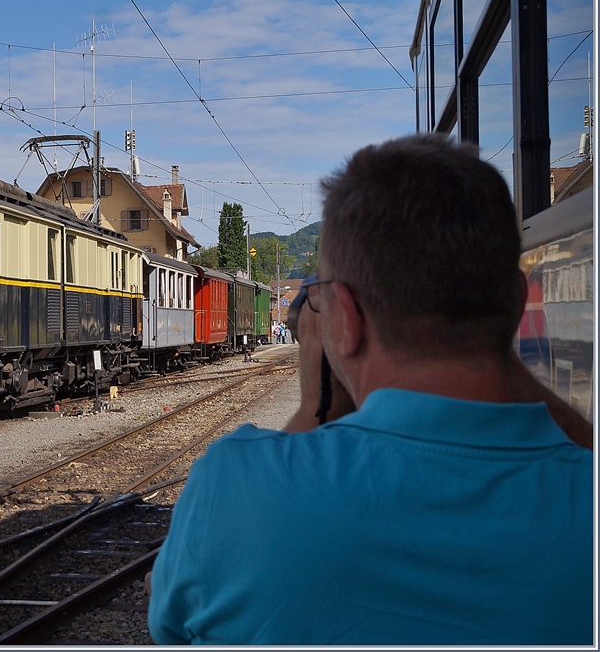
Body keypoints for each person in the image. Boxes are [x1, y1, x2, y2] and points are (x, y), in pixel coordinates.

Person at [148, 135, 593, 645]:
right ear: (517, 304)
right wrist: (492, 342)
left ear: (346, 319)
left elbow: (170, 626)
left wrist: (316, 409)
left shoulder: (233, 486)